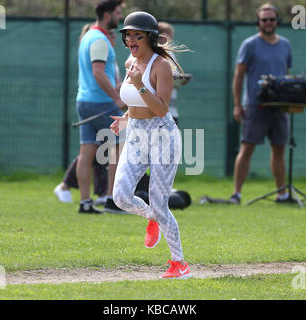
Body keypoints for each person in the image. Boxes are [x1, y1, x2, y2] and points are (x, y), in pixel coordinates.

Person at [110, 11, 192, 279]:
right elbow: (133, 101)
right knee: (120, 197)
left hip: (162, 136)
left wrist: (138, 84)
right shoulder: (130, 61)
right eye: (128, 35)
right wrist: (124, 119)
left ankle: (179, 264)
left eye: (137, 35)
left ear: (150, 38)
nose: (131, 39)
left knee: (160, 202)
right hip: (135, 133)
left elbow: (161, 109)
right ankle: (151, 217)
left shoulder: (161, 66)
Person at [55, 0, 127, 214]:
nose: (120, 17)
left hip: (84, 101)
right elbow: (97, 72)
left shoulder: (88, 36)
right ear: (107, 15)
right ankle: (113, 200)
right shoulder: (99, 40)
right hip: (101, 103)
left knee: (86, 152)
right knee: (119, 148)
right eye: (117, 13)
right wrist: (116, 98)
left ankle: (85, 203)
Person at [227, 3, 292, 205]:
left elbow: (287, 74)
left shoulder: (285, 44)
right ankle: (236, 194)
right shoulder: (250, 44)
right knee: (247, 148)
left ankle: (282, 194)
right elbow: (238, 76)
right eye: (264, 20)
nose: (268, 23)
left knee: (279, 149)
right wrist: (238, 105)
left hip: (279, 106)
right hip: (255, 105)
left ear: (277, 21)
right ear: (258, 22)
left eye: (272, 19)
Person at [157, 21, 191, 125]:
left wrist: (181, 79)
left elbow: (171, 77)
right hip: (160, 112)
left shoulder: (169, 52)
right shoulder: (155, 53)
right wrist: (178, 78)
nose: (170, 39)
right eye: (168, 35)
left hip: (171, 110)